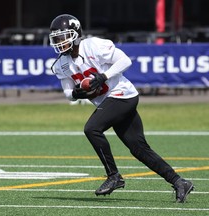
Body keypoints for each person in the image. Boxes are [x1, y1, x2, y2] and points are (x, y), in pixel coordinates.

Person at [49, 14, 194, 203]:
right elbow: (68, 92)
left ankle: (113, 176)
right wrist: (77, 94)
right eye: (57, 38)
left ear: (75, 34)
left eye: (63, 36)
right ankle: (179, 182)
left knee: (92, 128)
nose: (60, 42)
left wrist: (103, 76)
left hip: (123, 95)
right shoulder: (61, 64)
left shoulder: (93, 45)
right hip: (110, 102)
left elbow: (125, 60)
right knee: (139, 149)